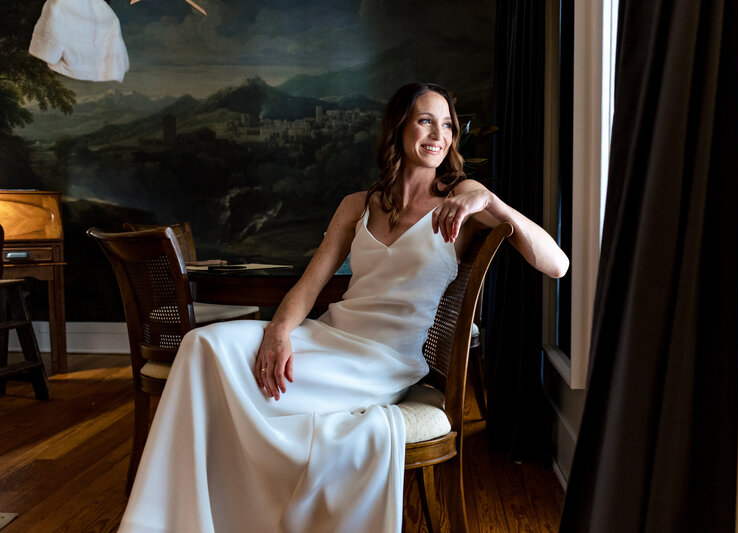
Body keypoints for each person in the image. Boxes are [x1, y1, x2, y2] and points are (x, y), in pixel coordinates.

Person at [118, 82, 569, 533]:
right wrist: (279, 332)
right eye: (425, 120)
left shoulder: (462, 203)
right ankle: (165, 521)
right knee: (201, 345)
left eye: (447, 124)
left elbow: (557, 265)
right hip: (329, 334)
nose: (439, 134)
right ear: (399, 126)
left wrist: (490, 200)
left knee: (235, 384)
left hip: (381, 360)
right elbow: (311, 284)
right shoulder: (359, 204)